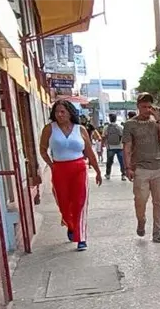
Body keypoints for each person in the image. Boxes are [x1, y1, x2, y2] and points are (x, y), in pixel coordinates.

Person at [40, 100, 103, 251]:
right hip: (59, 169)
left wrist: (98, 171)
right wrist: (51, 164)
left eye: (63, 111)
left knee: (80, 201)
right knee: (63, 203)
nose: (59, 115)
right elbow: (43, 149)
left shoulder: (80, 129)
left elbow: (89, 152)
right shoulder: (49, 129)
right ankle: (70, 223)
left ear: (70, 112)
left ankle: (81, 237)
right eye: (57, 112)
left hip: (79, 168)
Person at [123, 92, 160, 243]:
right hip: (140, 169)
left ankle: (157, 232)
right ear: (138, 107)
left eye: (150, 107)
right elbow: (127, 147)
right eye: (144, 107)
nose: (147, 110)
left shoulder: (157, 122)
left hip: (158, 168)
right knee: (140, 201)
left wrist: (159, 121)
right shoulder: (130, 124)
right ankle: (141, 220)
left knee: (159, 202)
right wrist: (128, 167)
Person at [103, 114, 126, 180]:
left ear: (110, 119)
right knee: (122, 162)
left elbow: (104, 137)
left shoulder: (106, 127)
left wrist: (103, 144)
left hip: (110, 147)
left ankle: (108, 174)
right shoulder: (120, 127)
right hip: (120, 147)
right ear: (115, 119)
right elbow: (123, 137)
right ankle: (123, 175)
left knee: (109, 161)